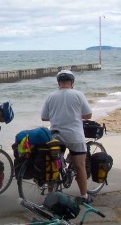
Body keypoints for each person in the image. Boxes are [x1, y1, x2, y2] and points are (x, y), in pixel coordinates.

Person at [40, 70, 93, 203]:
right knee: (80, 165)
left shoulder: (51, 96)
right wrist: (75, 115)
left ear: (58, 83)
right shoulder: (78, 95)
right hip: (75, 135)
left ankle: (51, 194)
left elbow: (44, 117)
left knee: (54, 164)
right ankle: (84, 196)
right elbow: (88, 115)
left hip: (56, 136)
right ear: (72, 82)